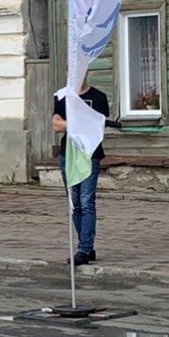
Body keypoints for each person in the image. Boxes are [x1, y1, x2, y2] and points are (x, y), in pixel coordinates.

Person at [51, 75, 110, 265]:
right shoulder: (62, 96)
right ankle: (86, 244)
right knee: (74, 201)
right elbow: (56, 125)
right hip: (68, 154)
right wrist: (77, 125)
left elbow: (98, 126)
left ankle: (84, 249)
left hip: (89, 154)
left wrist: (70, 125)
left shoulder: (98, 97)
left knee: (86, 201)